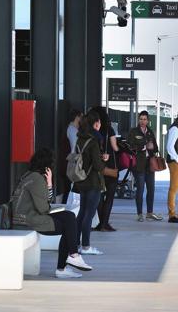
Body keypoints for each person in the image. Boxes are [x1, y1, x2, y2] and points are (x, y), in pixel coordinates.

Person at [12, 148, 92, 278]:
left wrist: (49, 184)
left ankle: (70, 259)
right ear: (47, 165)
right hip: (28, 219)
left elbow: (45, 202)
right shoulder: (36, 179)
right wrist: (48, 187)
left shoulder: (29, 175)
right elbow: (43, 208)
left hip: (27, 216)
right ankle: (68, 261)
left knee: (69, 218)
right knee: (69, 223)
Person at [74, 110, 107, 255]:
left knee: (82, 212)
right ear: (96, 124)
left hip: (81, 180)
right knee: (89, 214)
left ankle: (74, 243)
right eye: (99, 122)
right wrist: (103, 160)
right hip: (93, 181)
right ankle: (86, 246)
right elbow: (98, 166)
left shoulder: (80, 139)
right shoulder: (94, 141)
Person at [128, 110, 162, 222]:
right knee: (140, 190)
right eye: (141, 119)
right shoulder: (134, 131)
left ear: (148, 121)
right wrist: (143, 146)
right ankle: (139, 214)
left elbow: (156, 147)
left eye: (144, 119)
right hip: (139, 165)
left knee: (151, 189)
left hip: (150, 165)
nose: (142, 121)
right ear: (138, 120)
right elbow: (130, 146)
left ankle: (149, 213)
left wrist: (153, 148)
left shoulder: (150, 132)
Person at [91, 106, 120, 232]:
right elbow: (115, 147)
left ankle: (100, 223)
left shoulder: (92, 130)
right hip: (110, 166)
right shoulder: (109, 129)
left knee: (99, 195)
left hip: (97, 165)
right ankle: (104, 223)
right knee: (109, 196)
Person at [60, 109, 82, 204]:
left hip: (69, 163)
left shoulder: (72, 129)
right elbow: (74, 147)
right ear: (77, 117)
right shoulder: (72, 129)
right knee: (69, 188)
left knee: (68, 188)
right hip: (71, 164)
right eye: (81, 116)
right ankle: (66, 208)